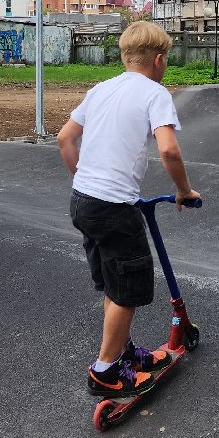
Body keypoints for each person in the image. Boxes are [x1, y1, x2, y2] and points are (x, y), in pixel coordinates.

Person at [58, 21, 201, 398]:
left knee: (112, 283)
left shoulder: (100, 89)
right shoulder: (155, 93)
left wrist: (86, 178)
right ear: (158, 60)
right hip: (113, 207)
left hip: (82, 201)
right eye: (166, 61)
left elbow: (65, 138)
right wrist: (183, 190)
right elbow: (168, 149)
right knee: (128, 291)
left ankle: (122, 354)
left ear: (125, 57)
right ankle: (105, 371)